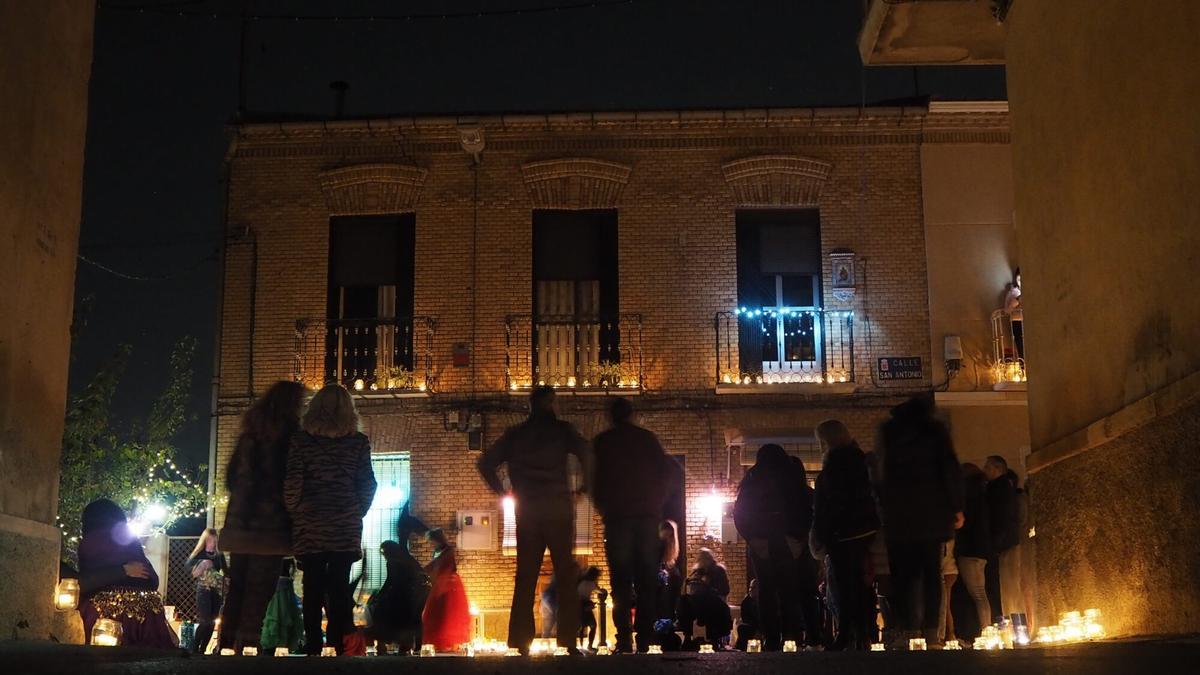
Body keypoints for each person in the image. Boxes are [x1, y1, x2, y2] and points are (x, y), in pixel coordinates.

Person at [477, 386, 590, 655]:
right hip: (558, 509)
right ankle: (568, 639)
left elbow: (485, 463)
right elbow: (588, 454)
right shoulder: (563, 431)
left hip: (527, 511)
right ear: (551, 403)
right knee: (565, 573)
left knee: (526, 575)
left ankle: (520, 640)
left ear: (531, 406)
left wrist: (503, 490)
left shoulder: (515, 435)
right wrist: (583, 488)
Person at [284, 383, 377, 656]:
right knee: (339, 586)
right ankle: (337, 645)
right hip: (344, 525)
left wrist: (297, 510)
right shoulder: (358, 443)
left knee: (311, 586)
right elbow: (368, 484)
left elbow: (292, 482)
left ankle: (313, 645)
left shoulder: (300, 441)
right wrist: (354, 510)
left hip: (310, 523)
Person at [218, 380, 305, 654]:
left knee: (237, 589)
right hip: (271, 528)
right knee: (259, 591)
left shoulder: (249, 436)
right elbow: (293, 483)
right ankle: (248, 647)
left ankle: (226, 647)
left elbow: (231, 478)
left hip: (241, 525)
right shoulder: (291, 437)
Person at [876, 395, 964, 647]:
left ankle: (906, 629)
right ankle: (930, 632)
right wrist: (956, 507)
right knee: (930, 575)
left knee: (903, 576)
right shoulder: (934, 431)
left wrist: (884, 506)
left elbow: (881, 473)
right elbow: (949, 469)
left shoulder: (889, 431)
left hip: (899, 516)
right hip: (931, 516)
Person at [591, 396, 676, 653]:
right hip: (646, 518)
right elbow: (667, 472)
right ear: (631, 414)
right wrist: (656, 503)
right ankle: (644, 637)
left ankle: (625, 637)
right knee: (646, 581)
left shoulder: (603, 443)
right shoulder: (647, 440)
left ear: (611, 416)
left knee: (620, 582)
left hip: (618, 520)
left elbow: (594, 479)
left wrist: (604, 507)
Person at [732, 443, 811, 650]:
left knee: (766, 590)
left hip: (762, 541)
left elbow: (740, 513)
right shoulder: (791, 479)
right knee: (788, 590)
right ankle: (791, 635)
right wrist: (799, 537)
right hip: (786, 540)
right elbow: (804, 508)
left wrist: (753, 538)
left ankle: (771, 636)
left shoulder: (752, 480)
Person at [811, 420, 881, 650]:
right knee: (862, 583)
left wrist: (821, 533)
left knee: (844, 584)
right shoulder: (860, 460)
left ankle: (846, 633)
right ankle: (865, 632)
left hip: (842, 533)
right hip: (865, 529)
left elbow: (826, 504)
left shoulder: (834, 466)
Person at [76, 499, 177, 648]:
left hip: (106, 611)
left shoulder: (88, 543)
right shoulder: (131, 540)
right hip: (148, 610)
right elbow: (153, 580)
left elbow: (85, 582)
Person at [367, 504, 431, 653]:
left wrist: (379, 595)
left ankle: (387, 642)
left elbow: (390, 581)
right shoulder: (406, 559)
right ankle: (413, 645)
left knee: (383, 613)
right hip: (415, 593)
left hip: (403, 595)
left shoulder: (394, 562)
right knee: (413, 618)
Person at [956, 463, 993, 635]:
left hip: (969, 551)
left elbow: (963, 526)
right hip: (982, 551)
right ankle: (987, 629)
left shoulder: (966, 500)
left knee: (977, 593)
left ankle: (986, 630)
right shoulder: (983, 496)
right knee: (981, 593)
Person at [421, 528, 472, 651]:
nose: (431, 544)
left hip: (449, 585)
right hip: (440, 583)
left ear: (437, 539)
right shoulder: (437, 551)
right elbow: (433, 565)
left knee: (448, 613)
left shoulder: (448, 551)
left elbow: (441, 565)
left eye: (432, 541)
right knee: (434, 614)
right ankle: (439, 643)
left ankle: (449, 643)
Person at [984, 456, 1022, 621]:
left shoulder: (997, 489)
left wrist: (994, 543)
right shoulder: (1007, 487)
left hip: (1000, 543)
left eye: (988, 467)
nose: (985, 471)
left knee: (1001, 585)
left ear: (997, 469)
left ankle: (1003, 621)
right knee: (1008, 585)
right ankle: (1013, 620)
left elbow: (999, 517)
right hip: (1007, 541)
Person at [676, 548, 733, 648]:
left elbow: (724, 590)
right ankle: (687, 635)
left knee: (708, 602)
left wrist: (709, 586)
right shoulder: (697, 572)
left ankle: (713, 637)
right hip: (697, 602)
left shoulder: (718, 570)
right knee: (684, 602)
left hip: (715, 602)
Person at [186, 528, 227, 654]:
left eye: (214, 540)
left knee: (212, 621)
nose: (212, 543)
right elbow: (188, 568)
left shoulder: (219, 555)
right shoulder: (199, 553)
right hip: (203, 589)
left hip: (216, 590)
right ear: (205, 540)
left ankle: (202, 650)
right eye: (209, 540)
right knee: (205, 620)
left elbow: (226, 571)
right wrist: (202, 564)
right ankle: (194, 648)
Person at [260, 558, 304, 655]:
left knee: (275, 614)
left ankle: (273, 643)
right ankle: (283, 643)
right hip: (286, 584)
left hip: (277, 584)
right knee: (284, 614)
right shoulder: (289, 555)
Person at [577, 566, 602, 649]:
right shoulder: (587, 583)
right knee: (587, 625)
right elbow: (598, 590)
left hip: (584, 605)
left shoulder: (585, 582)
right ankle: (587, 645)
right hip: (583, 605)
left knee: (586, 625)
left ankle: (584, 645)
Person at [1004, 267, 1023, 360]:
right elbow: (1007, 310)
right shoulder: (1013, 293)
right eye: (1019, 279)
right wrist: (1017, 300)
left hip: (1028, 321)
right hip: (1017, 321)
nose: (1021, 282)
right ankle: (1023, 368)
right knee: (1021, 347)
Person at [735, 579, 760, 651]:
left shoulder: (764, 601)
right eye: (750, 587)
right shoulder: (746, 602)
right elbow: (745, 618)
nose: (750, 590)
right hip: (751, 626)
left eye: (754, 587)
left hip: (763, 626)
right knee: (742, 628)